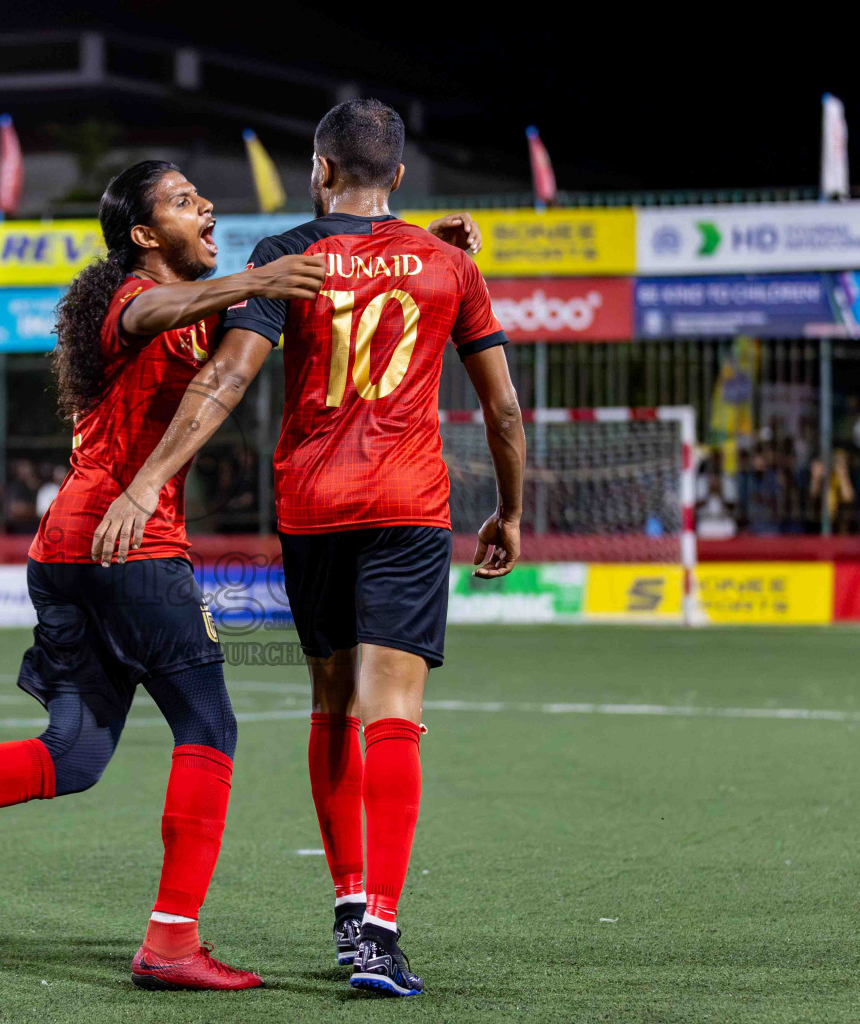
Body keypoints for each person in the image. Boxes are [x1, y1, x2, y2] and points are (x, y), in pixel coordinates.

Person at [0, 159, 328, 992]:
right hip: (125, 542)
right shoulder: (134, 302)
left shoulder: (196, 303)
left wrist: (424, 241)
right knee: (210, 727)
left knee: (75, 755)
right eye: (181, 201)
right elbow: (169, 306)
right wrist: (259, 275)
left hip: (67, 551)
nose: (205, 205)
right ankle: (171, 943)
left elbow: (332, 259)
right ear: (142, 237)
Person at [92, 99, 519, 997]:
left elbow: (226, 377)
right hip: (407, 505)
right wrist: (509, 511)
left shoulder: (282, 256)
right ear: (397, 176)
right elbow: (504, 412)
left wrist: (148, 478)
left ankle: (345, 901)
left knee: (330, 704)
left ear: (320, 170)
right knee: (391, 709)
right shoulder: (451, 264)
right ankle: (381, 936)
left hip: (314, 506)